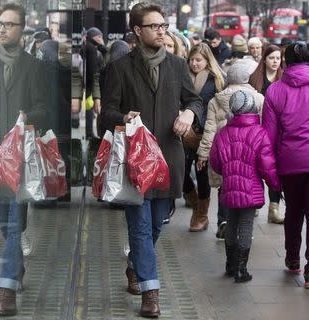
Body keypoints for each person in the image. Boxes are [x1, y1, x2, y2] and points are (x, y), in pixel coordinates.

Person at [100, 3, 202, 317]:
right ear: (137, 31)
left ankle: (135, 265)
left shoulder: (177, 64)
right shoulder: (119, 67)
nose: (161, 30)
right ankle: (150, 292)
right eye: (154, 26)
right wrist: (122, 117)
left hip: (168, 159)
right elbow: (106, 114)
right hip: (135, 160)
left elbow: (194, 99)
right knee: (141, 229)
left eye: (162, 25)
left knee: (156, 224)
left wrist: (189, 112)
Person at [0, 3, 47, 316]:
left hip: (19, 156)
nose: (2, 29)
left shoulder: (35, 66)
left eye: (9, 24)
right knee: (5, 222)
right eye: (0, 24)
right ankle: (15, 267)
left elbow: (46, 108)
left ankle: (6, 291)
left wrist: (27, 116)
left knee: (14, 224)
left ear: (22, 29)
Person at [210, 89, 280, 283]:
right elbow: (267, 165)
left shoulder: (222, 133)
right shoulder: (260, 133)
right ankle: (242, 269)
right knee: (246, 226)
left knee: (231, 223)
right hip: (251, 189)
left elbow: (215, 162)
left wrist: (229, 172)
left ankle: (230, 265)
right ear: (252, 108)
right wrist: (275, 184)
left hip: (230, 187)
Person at [262, 42, 309, 288]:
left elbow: (269, 135)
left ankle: (293, 259)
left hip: (290, 161)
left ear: (285, 61)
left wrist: (269, 170)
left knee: (293, 211)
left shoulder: (274, 91)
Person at [197, 62, 265, 239]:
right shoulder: (258, 99)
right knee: (246, 186)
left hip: (224, 152)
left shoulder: (215, 100)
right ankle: (243, 226)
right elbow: (265, 127)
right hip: (249, 151)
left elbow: (210, 129)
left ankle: (223, 221)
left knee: (225, 186)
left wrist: (203, 154)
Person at [184, 43, 225, 233]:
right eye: (192, 59)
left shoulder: (215, 79)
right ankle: (195, 204)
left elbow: (220, 111)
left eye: (198, 60)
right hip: (184, 133)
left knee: (202, 175)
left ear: (207, 61)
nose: (194, 63)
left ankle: (202, 215)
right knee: (181, 173)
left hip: (205, 134)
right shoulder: (183, 76)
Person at [249, 45, 284, 224]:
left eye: (278, 58)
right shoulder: (255, 79)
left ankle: (274, 208)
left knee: (273, 168)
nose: (275, 61)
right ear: (264, 59)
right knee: (256, 167)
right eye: (272, 58)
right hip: (256, 131)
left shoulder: (283, 79)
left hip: (275, 132)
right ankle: (255, 201)